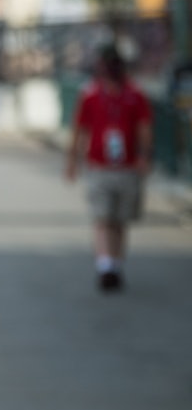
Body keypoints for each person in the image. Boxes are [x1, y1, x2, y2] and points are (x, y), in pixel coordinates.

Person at [65, 44, 153, 292]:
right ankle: (105, 265)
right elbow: (80, 130)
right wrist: (73, 160)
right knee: (102, 217)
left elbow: (144, 129)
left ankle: (115, 262)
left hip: (126, 167)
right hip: (99, 166)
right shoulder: (90, 95)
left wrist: (144, 156)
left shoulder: (136, 96)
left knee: (119, 220)